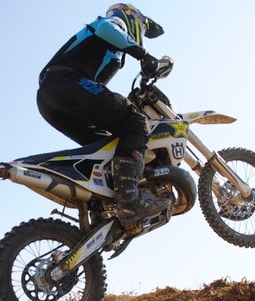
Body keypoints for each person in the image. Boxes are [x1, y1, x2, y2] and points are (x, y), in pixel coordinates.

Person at [37, 3, 169, 227]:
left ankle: (99, 209)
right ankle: (129, 201)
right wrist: (144, 55)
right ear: (133, 18)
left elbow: (95, 93)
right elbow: (107, 29)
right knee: (135, 121)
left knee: (106, 147)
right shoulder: (112, 24)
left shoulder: (109, 46)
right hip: (66, 82)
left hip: (50, 99)